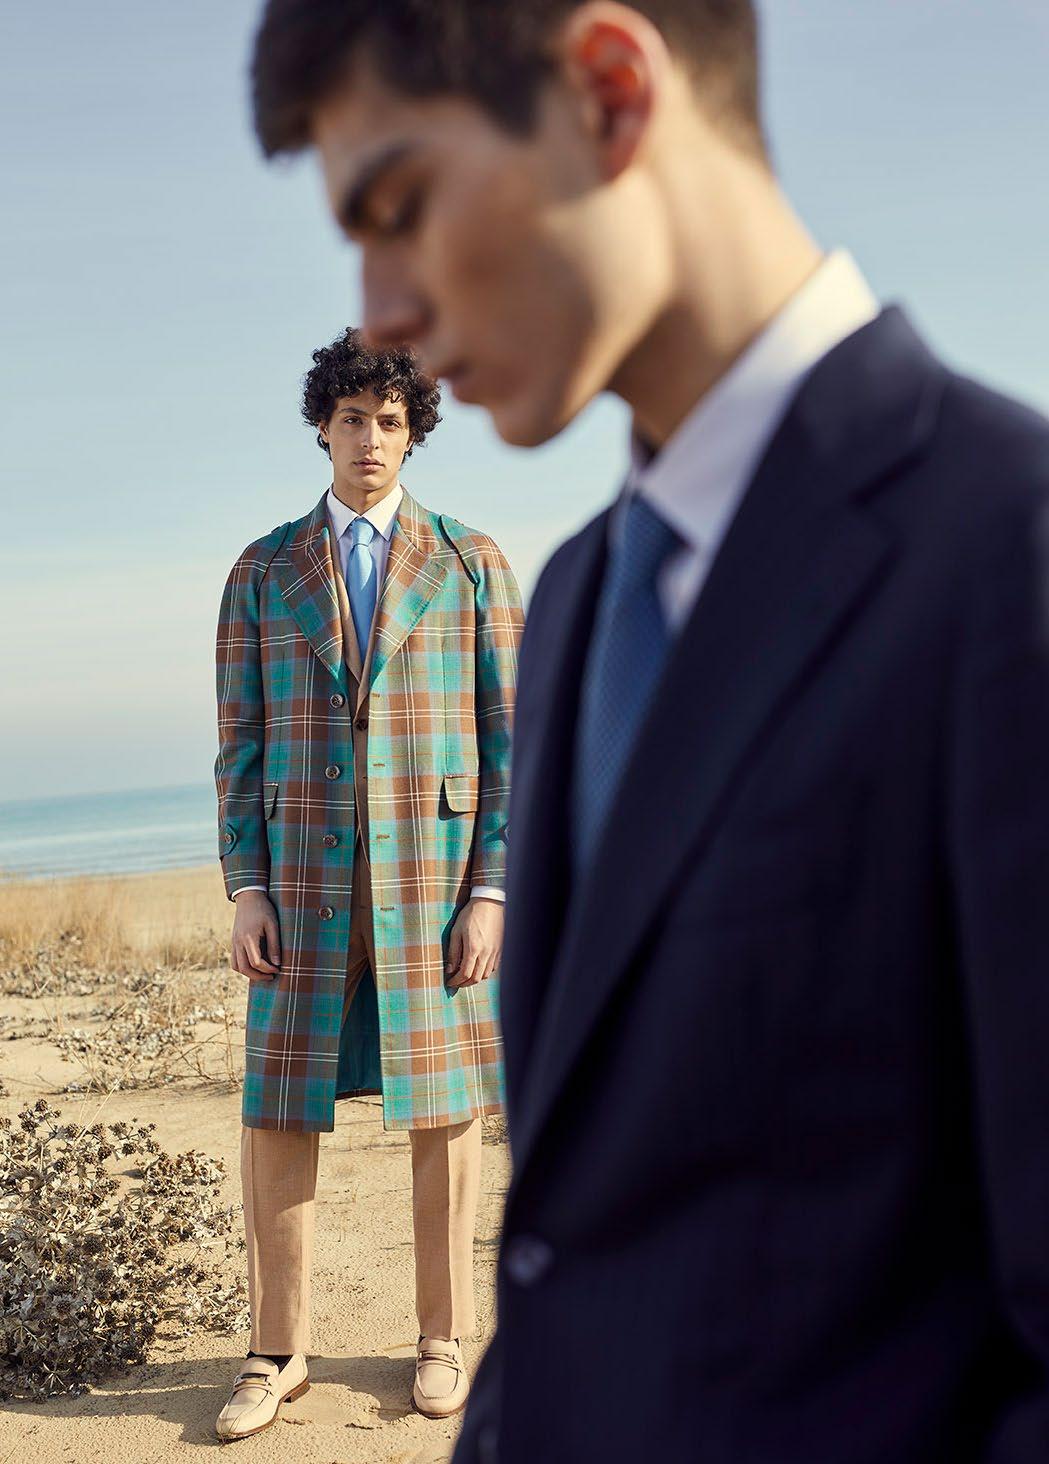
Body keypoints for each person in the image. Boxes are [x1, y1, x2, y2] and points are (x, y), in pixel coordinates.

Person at [248, 4, 1049, 1461]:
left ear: (611, 96)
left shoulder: (1011, 551)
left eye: (401, 205)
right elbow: (575, 1238)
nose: (383, 314)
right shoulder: (577, 592)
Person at [212, 327, 523, 1441]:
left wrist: (490, 892)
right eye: (351, 420)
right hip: (299, 883)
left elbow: (512, 742)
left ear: (412, 434)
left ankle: (443, 1340)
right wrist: (247, 884)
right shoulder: (261, 570)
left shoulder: (471, 562)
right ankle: (275, 1351)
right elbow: (239, 744)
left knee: (445, 1110)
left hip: (433, 882)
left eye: (389, 422)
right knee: (276, 1108)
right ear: (322, 428)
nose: (370, 440)